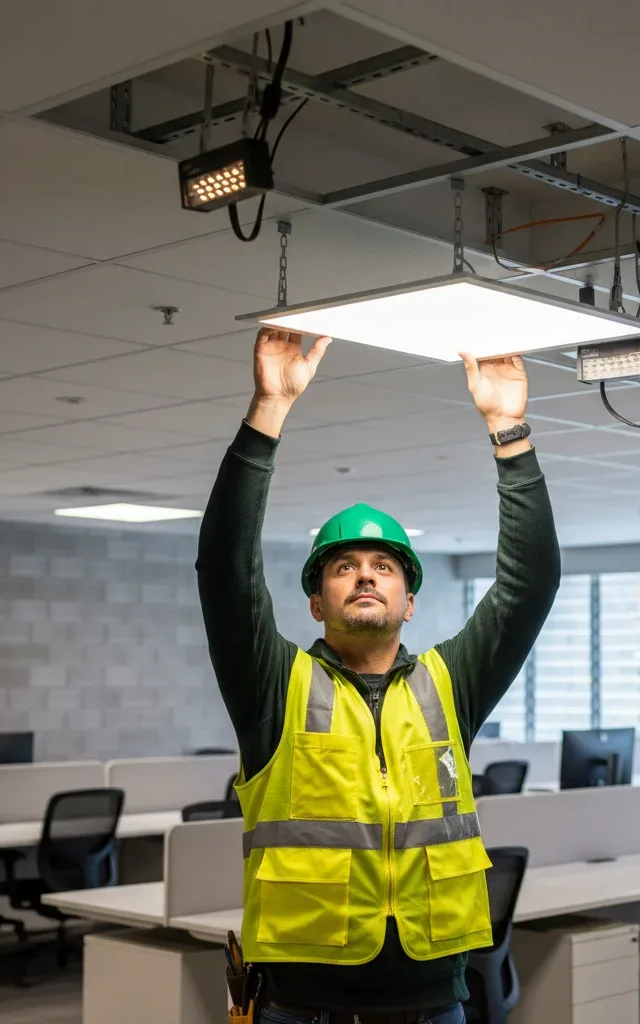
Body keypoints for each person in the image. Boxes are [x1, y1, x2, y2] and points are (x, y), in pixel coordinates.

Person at [196, 327, 560, 1024]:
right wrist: (267, 411)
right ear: (316, 600)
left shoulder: (452, 684)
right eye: (344, 566)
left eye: (384, 567)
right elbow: (224, 572)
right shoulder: (275, 684)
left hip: (431, 1003)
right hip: (301, 1006)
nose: (365, 573)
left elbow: (530, 583)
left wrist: (510, 431)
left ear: (409, 601)